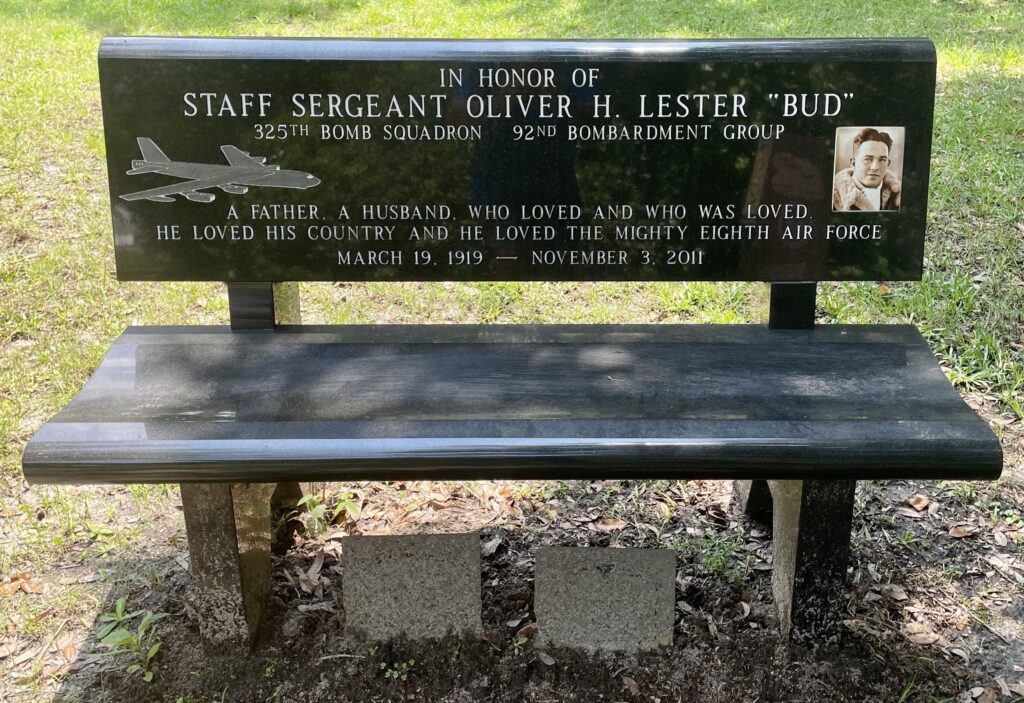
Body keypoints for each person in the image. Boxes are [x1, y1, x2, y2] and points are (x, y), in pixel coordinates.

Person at [832, 128, 901, 211]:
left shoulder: (897, 197)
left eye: (882, 160)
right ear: (853, 163)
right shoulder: (834, 197)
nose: (875, 167)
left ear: (888, 164)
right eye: (868, 159)